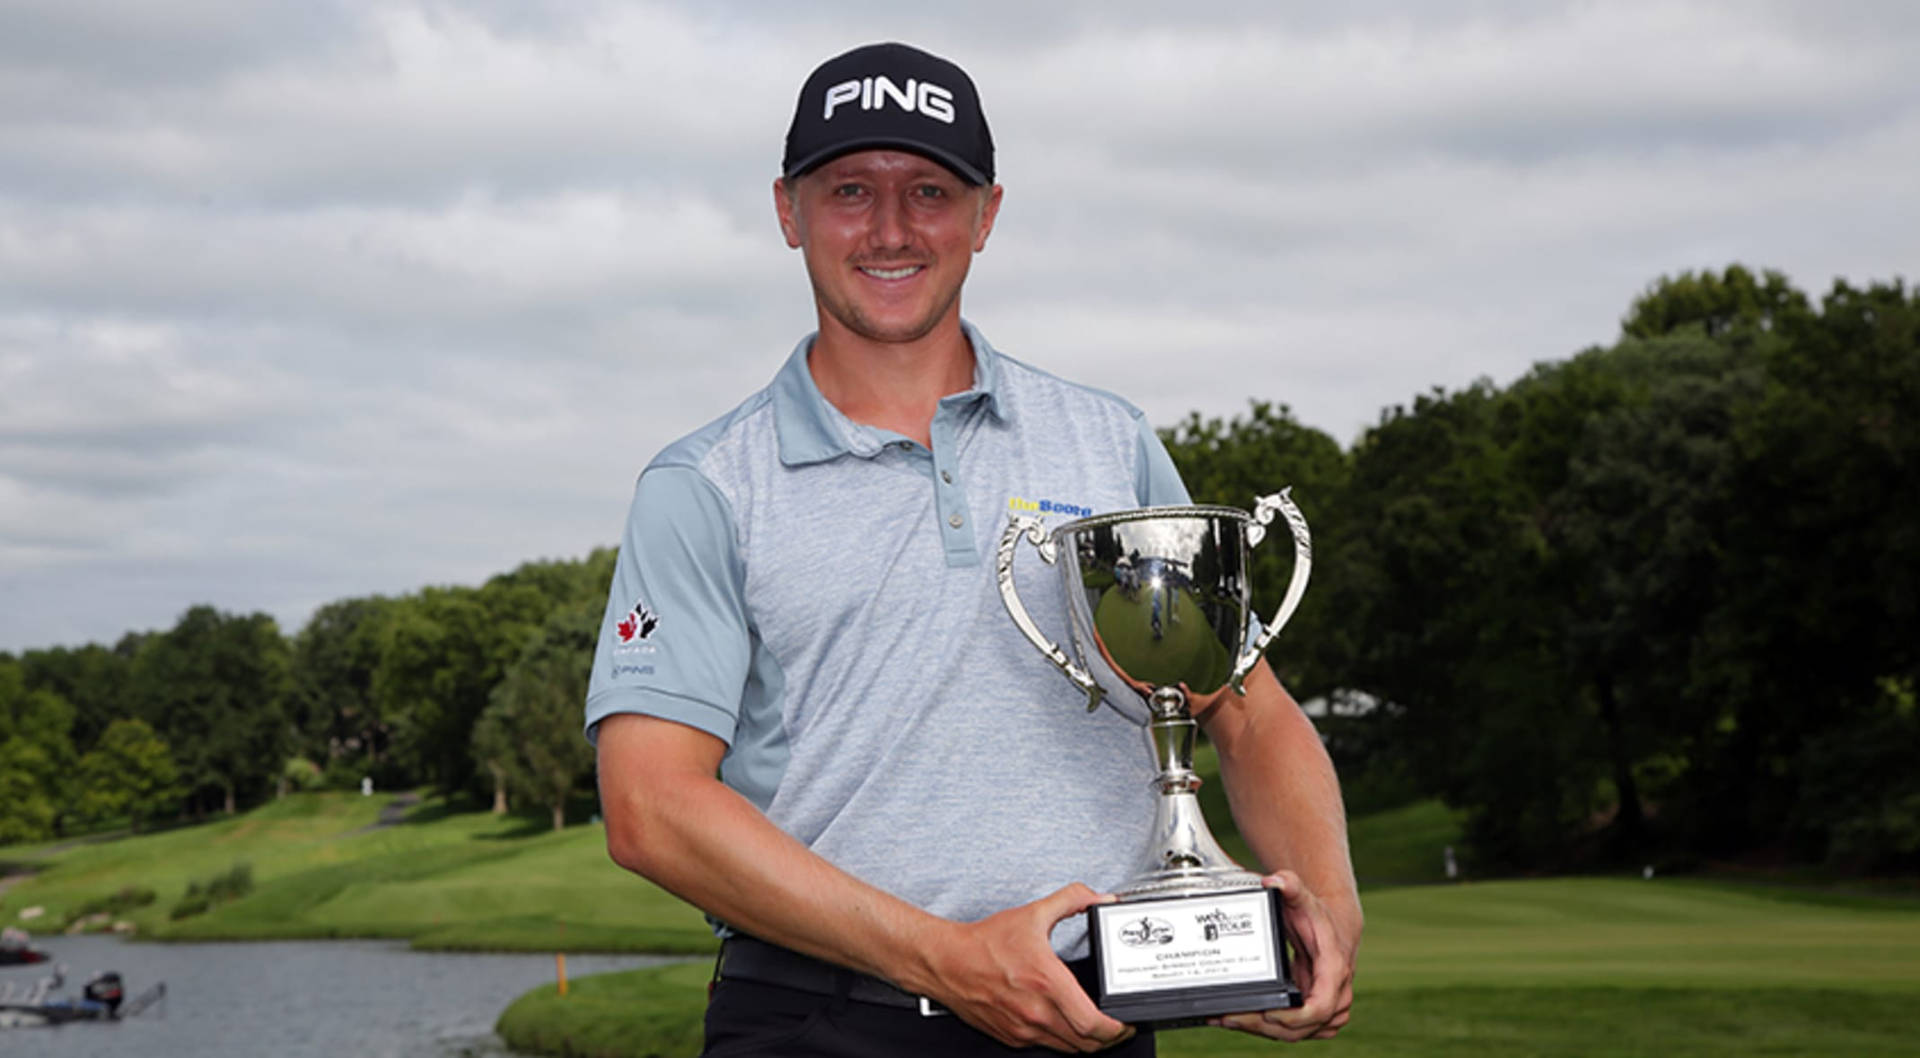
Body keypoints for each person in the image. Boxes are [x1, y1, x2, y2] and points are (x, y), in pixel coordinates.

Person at [586, 41, 1361, 1057]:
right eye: (850, 189)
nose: (892, 228)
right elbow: (650, 804)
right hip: (819, 1025)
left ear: (987, 213)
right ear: (789, 211)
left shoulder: (1106, 438)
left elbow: (1247, 713)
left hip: (1090, 1019)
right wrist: (946, 955)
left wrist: (1328, 916)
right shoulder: (705, 484)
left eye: (932, 191)